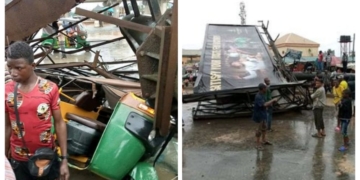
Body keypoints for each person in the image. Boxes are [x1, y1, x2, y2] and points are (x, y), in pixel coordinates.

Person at [5, 41, 70, 180]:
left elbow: (59, 123)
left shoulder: (49, 88)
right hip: (18, 160)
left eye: (18, 68)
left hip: (46, 157)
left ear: (33, 66)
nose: (12, 73)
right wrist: (4, 160)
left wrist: (64, 160)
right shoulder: (6, 91)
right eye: (9, 67)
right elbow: (6, 126)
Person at [252, 83, 277, 150]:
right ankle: (257, 144)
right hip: (259, 115)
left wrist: (270, 103)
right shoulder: (258, 96)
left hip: (263, 114)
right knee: (259, 130)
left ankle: (263, 140)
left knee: (264, 128)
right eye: (265, 88)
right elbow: (264, 104)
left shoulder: (263, 95)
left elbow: (266, 103)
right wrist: (272, 100)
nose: (266, 89)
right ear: (262, 89)